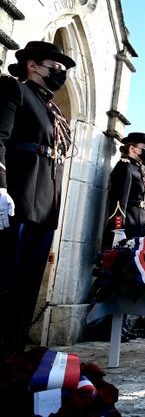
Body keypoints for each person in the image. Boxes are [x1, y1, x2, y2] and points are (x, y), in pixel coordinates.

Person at [0, 41, 76, 354]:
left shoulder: (52, 109)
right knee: (7, 279)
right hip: (18, 199)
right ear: (32, 65)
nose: (60, 74)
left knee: (28, 286)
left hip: (45, 208)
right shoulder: (14, 90)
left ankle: (13, 351)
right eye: (55, 67)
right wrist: (0, 187)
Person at [102, 132, 145, 248]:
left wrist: (144, 230)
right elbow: (119, 201)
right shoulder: (125, 167)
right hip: (126, 228)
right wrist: (118, 229)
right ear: (132, 148)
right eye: (144, 147)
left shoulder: (140, 170)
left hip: (139, 228)